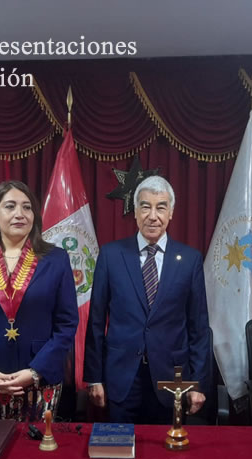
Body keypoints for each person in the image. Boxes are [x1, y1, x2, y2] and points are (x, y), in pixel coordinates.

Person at [84, 175, 211, 424]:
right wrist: (94, 377)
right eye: (145, 206)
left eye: (161, 207)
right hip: (121, 377)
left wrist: (198, 383)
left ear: (171, 213)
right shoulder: (111, 255)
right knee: (120, 456)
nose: (153, 216)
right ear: (135, 211)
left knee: (166, 458)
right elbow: (96, 322)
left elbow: (198, 327)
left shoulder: (190, 260)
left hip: (171, 380)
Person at [0, 180, 78, 420]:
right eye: (10, 206)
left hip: (40, 378)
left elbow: (67, 324)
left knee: (36, 453)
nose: (20, 214)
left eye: (27, 207)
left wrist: (35, 371)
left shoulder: (56, 259)